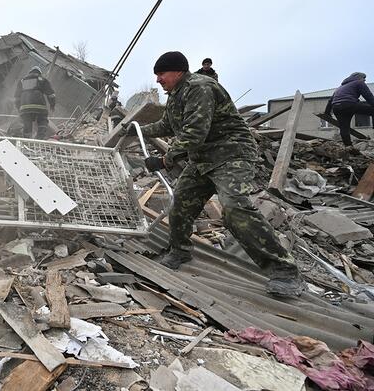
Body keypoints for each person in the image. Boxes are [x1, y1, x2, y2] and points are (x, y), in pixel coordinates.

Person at [125, 51, 305, 297]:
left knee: (235, 208)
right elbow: (167, 125)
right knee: (180, 202)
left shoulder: (200, 87)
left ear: (178, 71)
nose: (158, 80)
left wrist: (166, 160)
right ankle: (180, 250)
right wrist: (136, 131)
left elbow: (194, 132)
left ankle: (285, 271)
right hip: (203, 159)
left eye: (161, 74)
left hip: (231, 154)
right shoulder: (176, 96)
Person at [324, 72, 374, 148]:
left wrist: (327, 113)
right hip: (349, 104)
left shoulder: (340, 87)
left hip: (337, 108)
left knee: (344, 127)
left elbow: (330, 100)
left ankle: (349, 147)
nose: (365, 80)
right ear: (358, 77)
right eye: (364, 78)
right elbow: (369, 97)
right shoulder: (359, 82)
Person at [14, 66, 56, 139]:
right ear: (39, 73)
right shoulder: (42, 79)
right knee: (42, 120)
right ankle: (39, 138)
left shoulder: (22, 81)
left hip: (25, 107)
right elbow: (51, 95)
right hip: (40, 107)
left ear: (30, 72)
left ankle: (26, 142)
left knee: (27, 124)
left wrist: (19, 109)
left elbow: (17, 98)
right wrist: (52, 105)